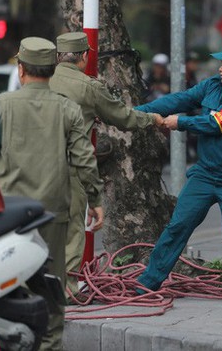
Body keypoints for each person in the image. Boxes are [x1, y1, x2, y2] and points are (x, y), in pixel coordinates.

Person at [0, 37, 104, 351]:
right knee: (51, 285)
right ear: (52, 68)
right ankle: (49, 344)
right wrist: (95, 200)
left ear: (21, 69)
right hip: (51, 214)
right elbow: (85, 159)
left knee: (6, 282)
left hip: (6, 214)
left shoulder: (1, 104)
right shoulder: (67, 109)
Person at [135, 41, 222, 298]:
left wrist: (180, 122)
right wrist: (136, 113)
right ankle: (148, 282)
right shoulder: (212, 85)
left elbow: (216, 123)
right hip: (205, 174)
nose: (220, 68)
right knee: (178, 226)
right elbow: (180, 99)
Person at [49, 32, 162, 298]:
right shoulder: (89, 87)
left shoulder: (42, 81)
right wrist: (152, 119)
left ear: (57, 57)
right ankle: (66, 291)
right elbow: (124, 118)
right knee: (73, 231)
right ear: (84, 57)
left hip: (33, 166)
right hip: (70, 167)